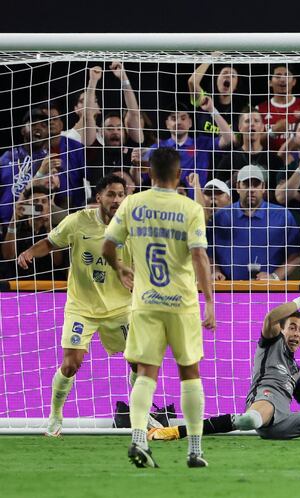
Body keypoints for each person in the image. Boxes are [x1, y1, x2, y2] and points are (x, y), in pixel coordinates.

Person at [147, 284, 300, 441]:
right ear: (281, 330)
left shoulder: (296, 371)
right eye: (291, 327)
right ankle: (178, 431)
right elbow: (270, 317)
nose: (296, 333)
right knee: (249, 420)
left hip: (285, 424)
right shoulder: (272, 344)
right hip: (263, 406)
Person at [102, 147, 216, 468]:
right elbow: (199, 257)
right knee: (190, 373)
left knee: (145, 373)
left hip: (145, 302)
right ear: (178, 175)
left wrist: (121, 269)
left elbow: (107, 245)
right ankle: (194, 450)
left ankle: (139, 439)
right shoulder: (190, 208)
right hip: (181, 304)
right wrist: (209, 301)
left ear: (149, 173)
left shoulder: (132, 204)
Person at [14, 175, 136, 436]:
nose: (116, 200)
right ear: (98, 198)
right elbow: (50, 242)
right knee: (71, 364)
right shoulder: (78, 221)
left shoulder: (132, 227)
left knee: (140, 362)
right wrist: (28, 253)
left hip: (121, 307)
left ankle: (140, 414)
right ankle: (55, 417)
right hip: (82, 306)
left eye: (120, 195)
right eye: (111, 194)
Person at [210, 165, 300, 281]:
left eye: (256, 184)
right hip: (228, 289)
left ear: (263, 187)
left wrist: (275, 276)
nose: (251, 189)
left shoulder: (282, 215)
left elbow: (296, 255)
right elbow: (208, 252)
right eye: (246, 184)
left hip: (270, 291)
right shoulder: (220, 217)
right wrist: (215, 271)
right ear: (238, 187)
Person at [0, 108, 86, 224]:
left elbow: (65, 199)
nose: (39, 127)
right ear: (23, 130)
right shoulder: (7, 157)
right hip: (3, 226)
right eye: (33, 123)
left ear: (47, 133)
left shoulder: (52, 161)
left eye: (44, 125)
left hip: (32, 227)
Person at [134, 102, 234, 191]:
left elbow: (230, 139)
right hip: (165, 206)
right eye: (173, 118)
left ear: (190, 122)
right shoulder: (155, 149)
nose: (178, 122)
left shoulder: (202, 144)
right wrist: (135, 166)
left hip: (195, 206)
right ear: (167, 124)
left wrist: (212, 109)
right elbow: (139, 181)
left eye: (183, 118)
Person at [1, 186, 63, 280]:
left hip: (47, 284)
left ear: (49, 207)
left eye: (44, 202)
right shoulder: (13, 228)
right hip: (17, 284)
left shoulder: (57, 228)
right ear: (26, 204)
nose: (40, 205)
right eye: (35, 201)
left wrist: (48, 228)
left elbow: (58, 261)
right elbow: (8, 256)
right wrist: (13, 220)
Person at [255, 64, 300, 151]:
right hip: (267, 161)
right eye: (278, 76)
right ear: (270, 82)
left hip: (299, 161)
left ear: (294, 81)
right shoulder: (259, 110)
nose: (283, 79)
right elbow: (252, 142)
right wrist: (272, 132)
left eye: (287, 75)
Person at [187, 55, 242, 140]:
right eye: (224, 73)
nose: (228, 76)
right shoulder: (205, 100)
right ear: (216, 80)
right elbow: (192, 82)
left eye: (233, 75)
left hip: (228, 152)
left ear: (236, 86)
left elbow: (235, 141)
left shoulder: (241, 110)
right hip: (203, 151)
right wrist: (211, 58)